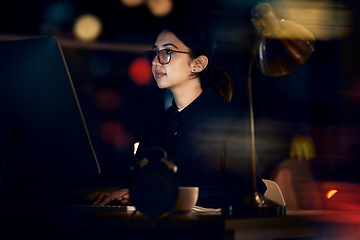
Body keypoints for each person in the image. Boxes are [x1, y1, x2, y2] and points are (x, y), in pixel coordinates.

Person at [86, 21, 266, 208]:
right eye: (155, 53)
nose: (156, 61)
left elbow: (247, 190)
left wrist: (174, 195)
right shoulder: (157, 124)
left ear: (198, 64)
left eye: (167, 52)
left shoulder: (231, 120)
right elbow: (139, 182)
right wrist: (125, 192)